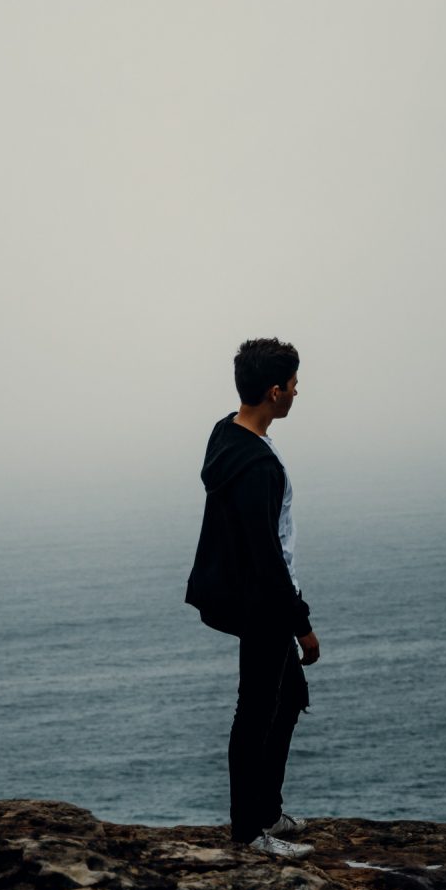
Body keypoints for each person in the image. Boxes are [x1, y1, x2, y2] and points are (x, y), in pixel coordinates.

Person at [185, 337, 323, 857]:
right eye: (291, 385)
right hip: (264, 601)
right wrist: (301, 623)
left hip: (255, 595)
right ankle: (250, 831)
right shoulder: (258, 466)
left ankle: (267, 811)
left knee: (286, 701)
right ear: (273, 392)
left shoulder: (228, 434)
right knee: (256, 711)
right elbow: (267, 554)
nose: (296, 392)